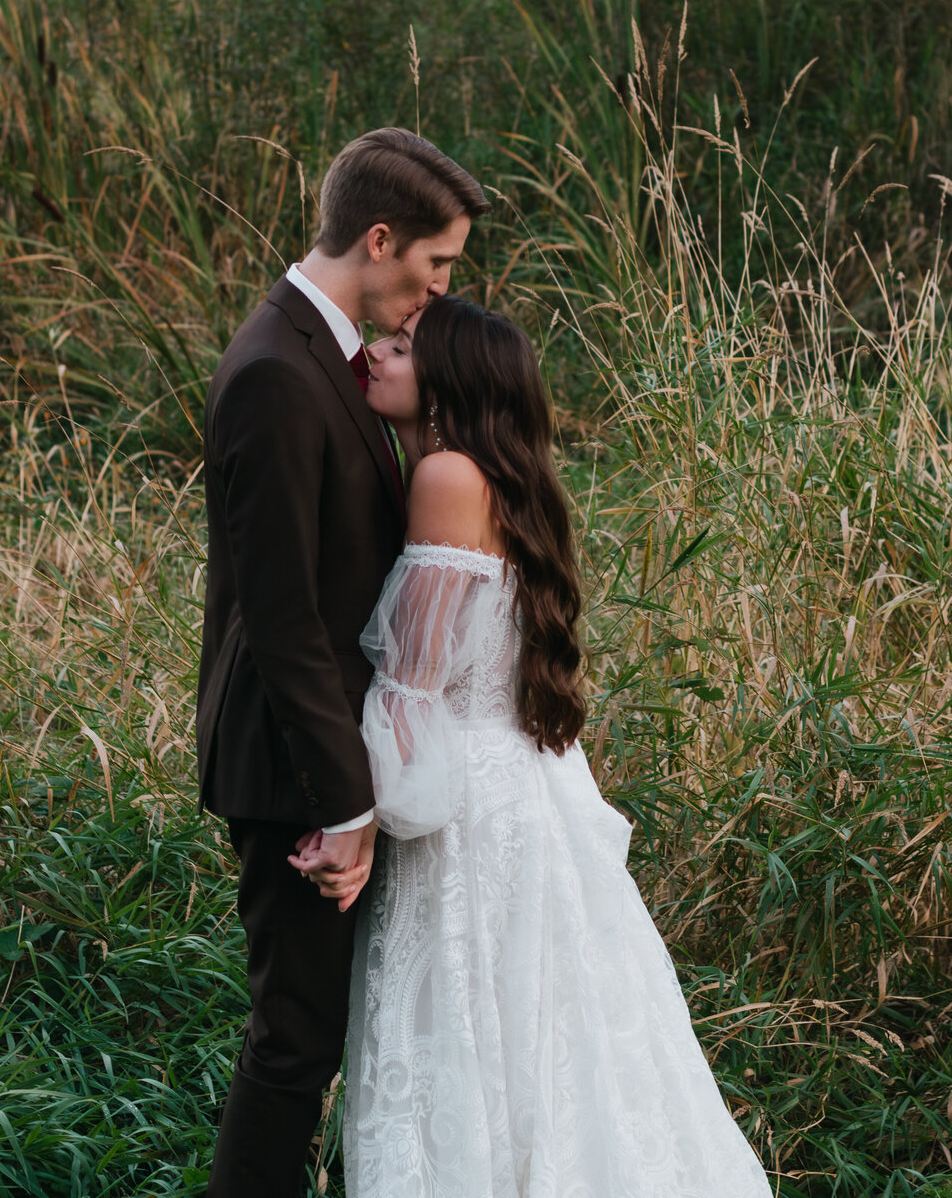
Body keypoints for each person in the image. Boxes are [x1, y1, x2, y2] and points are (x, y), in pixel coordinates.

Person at [315, 294, 775, 1198]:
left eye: (401, 346)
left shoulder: (445, 476)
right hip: (524, 783)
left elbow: (410, 685)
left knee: (470, 1039)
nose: (376, 352)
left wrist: (357, 816)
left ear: (451, 381)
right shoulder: (503, 477)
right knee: (545, 1039)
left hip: (465, 806)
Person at [195, 128, 489, 1198]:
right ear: (379, 238)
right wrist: (348, 804)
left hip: (322, 757)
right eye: (436, 262)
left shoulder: (325, 356)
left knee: (318, 1037)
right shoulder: (277, 371)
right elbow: (283, 622)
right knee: (294, 1045)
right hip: (293, 766)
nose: (439, 288)